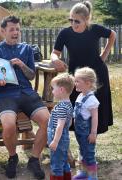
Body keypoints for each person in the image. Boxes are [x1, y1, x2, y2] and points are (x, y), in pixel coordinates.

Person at [0, 15, 50, 179]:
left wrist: (22, 65)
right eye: (11, 29)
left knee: (47, 121)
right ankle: (12, 157)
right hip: (5, 94)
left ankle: (34, 158)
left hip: (26, 92)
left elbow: (31, 76)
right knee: (9, 126)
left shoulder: (27, 49)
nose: (15, 32)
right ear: (3, 31)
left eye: (17, 29)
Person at [51, 0, 116, 134]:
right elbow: (54, 53)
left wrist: (103, 55)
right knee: (78, 110)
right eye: (71, 20)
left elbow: (112, 35)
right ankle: (83, 142)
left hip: (97, 75)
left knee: (95, 108)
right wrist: (55, 60)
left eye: (77, 21)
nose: (73, 24)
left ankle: (90, 142)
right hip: (77, 77)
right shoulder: (65, 33)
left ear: (86, 20)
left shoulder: (95, 29)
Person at [72, 67, 99, 180]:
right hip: (79, 133)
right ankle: (84, 173)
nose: (75, 83)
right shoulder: (80, 95)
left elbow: (95, 118)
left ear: (87, 83)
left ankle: (93, 177)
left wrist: (93, 133)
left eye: (78, 81)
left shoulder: (91, 100)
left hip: (87, 133)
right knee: (82, 152)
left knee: (89, 154)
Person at [47, 73, 74, 180]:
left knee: (56, 165)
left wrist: (55, 141)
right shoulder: (68, 104)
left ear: (61, 90)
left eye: (53, 89)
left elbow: (59, 126)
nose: (52, 91)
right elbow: (70, 122)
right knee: (63, 162)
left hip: (58, 139)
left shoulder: (62, 107)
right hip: (64, 137)